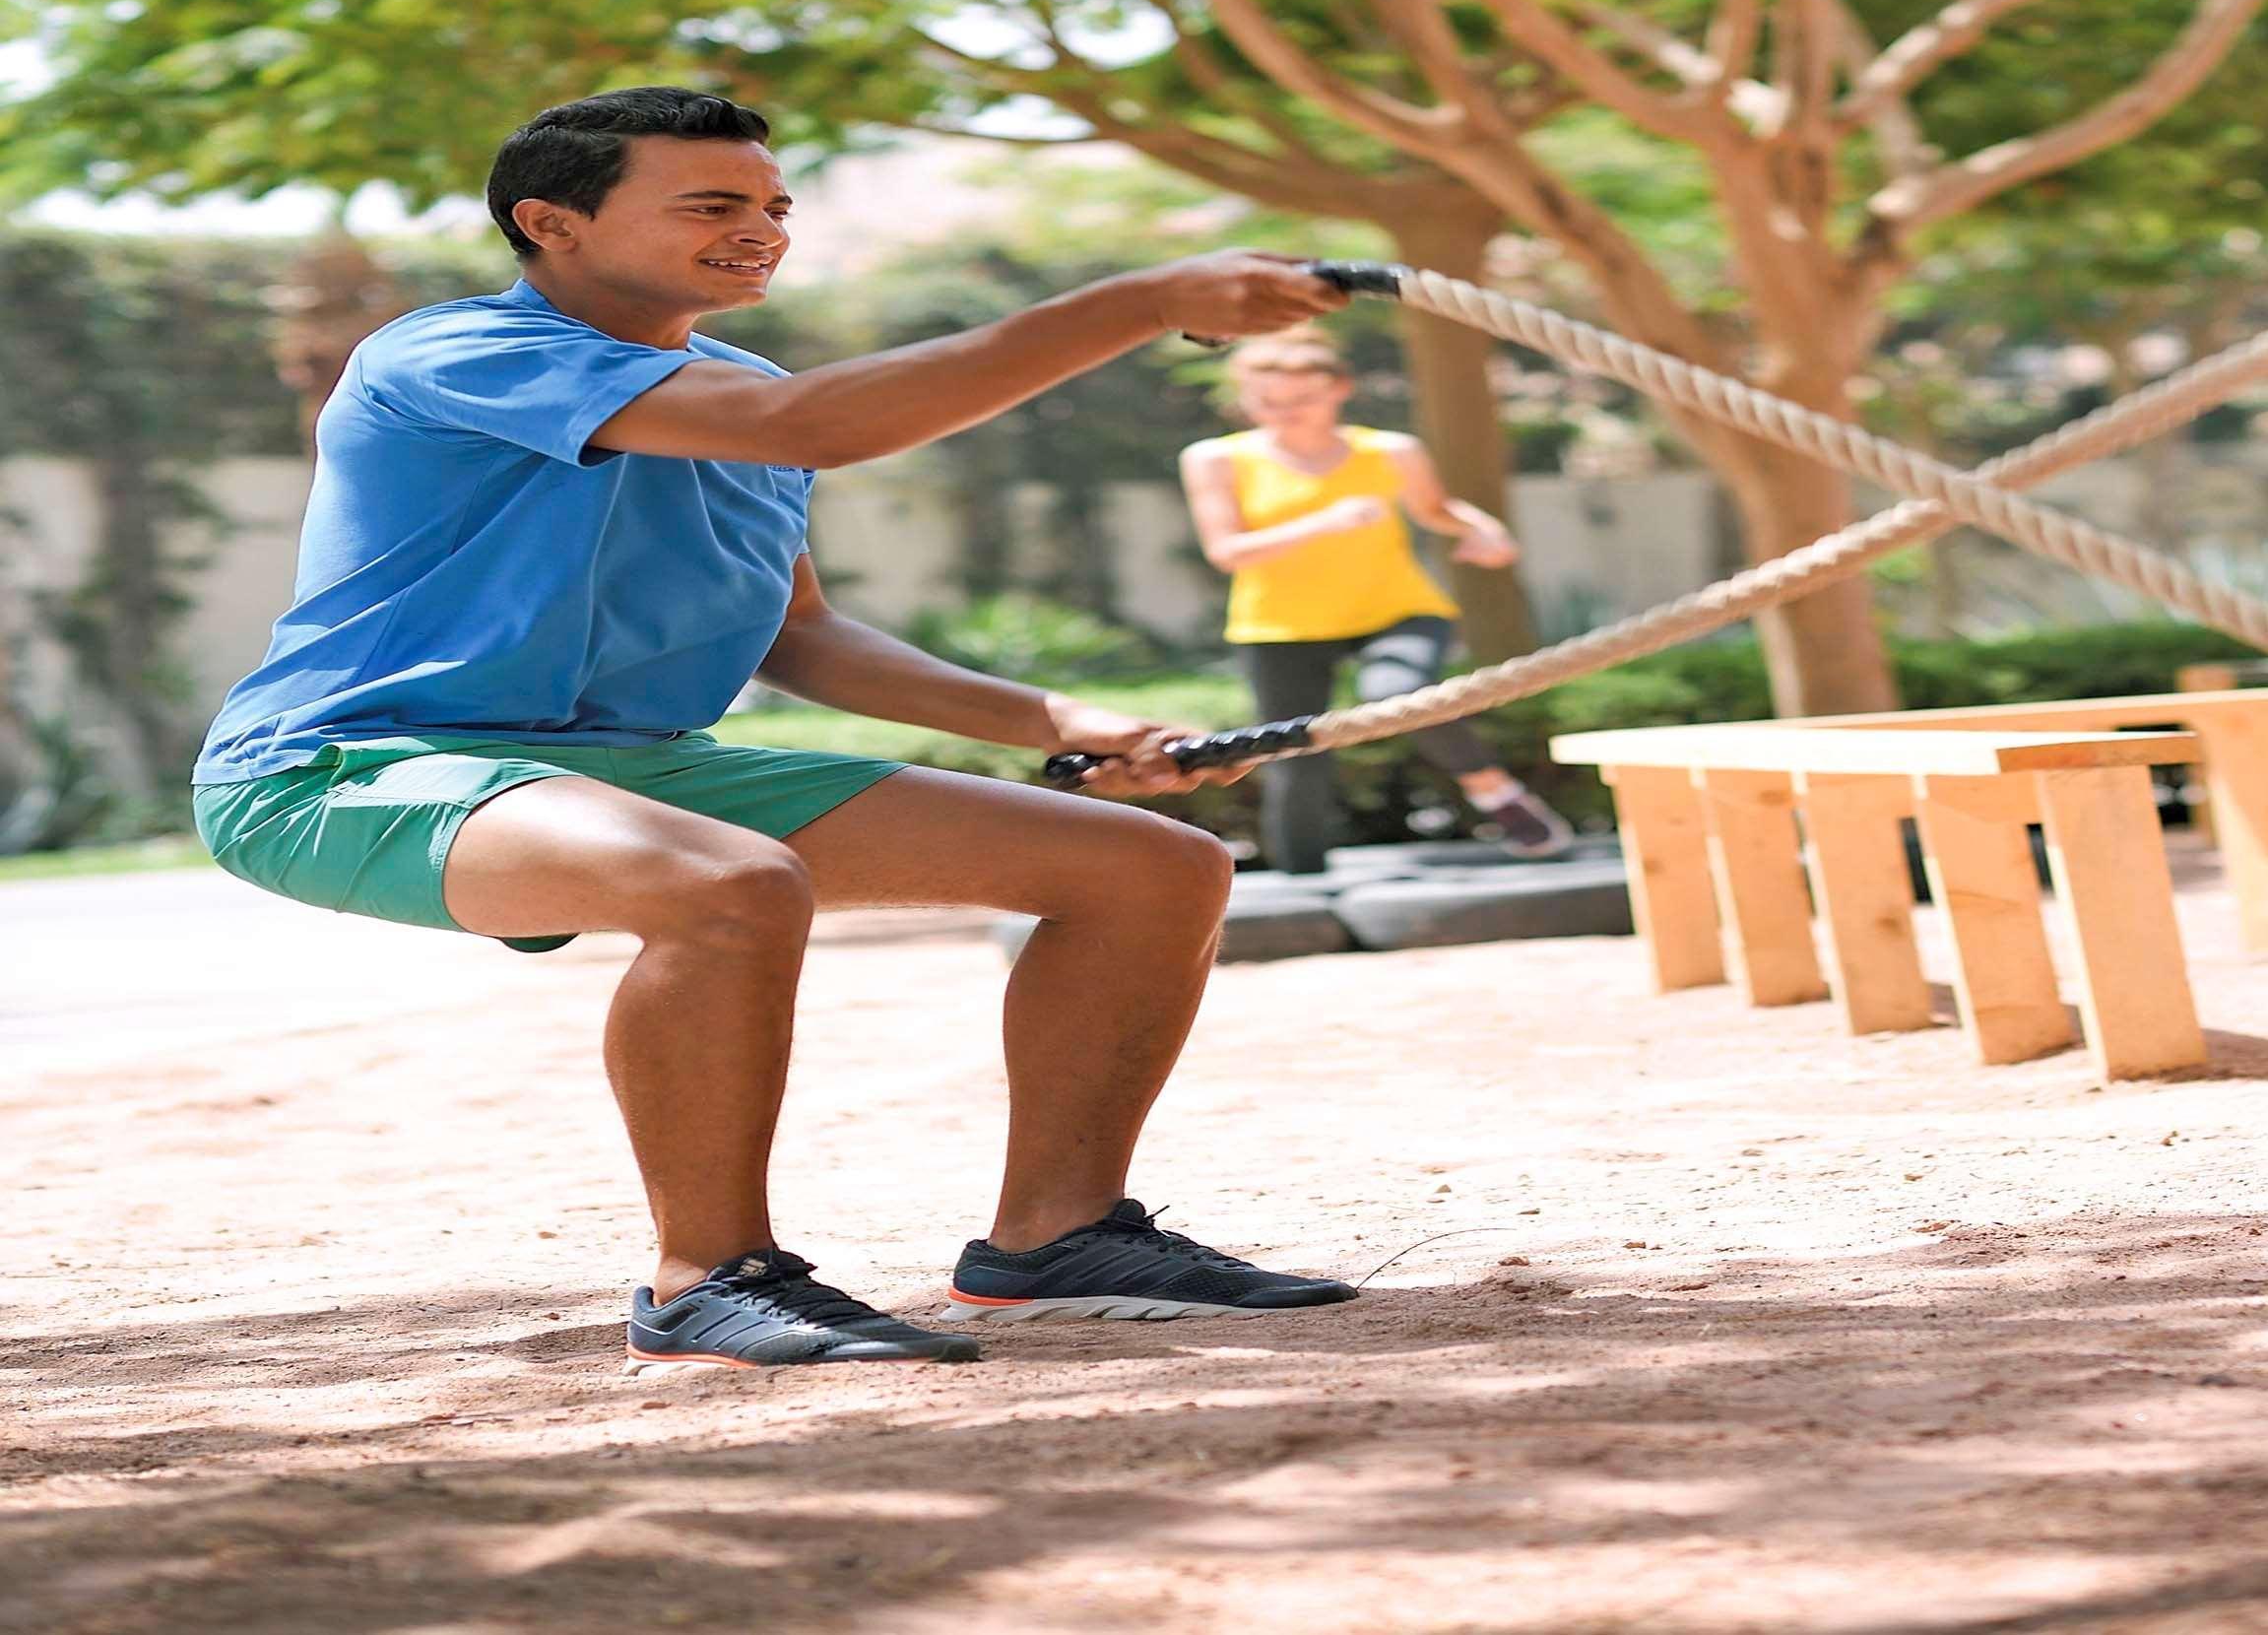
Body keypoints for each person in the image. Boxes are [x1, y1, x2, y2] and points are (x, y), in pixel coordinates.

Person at [191, 87, 1367, 1371]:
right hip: (350, 760)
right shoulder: (454, 352)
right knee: (732, 883)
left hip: (629, 765)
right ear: (551, 223)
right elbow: (816, 425)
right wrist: (1142, 302)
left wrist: (1058, 717)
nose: (759, 229)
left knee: (1152, 868)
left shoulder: (750, 393)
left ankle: (1056, 1238)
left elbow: (803, 635)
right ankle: (707, 1278)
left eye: (772, 206)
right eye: (712, 205)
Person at [1180, 331, 1573, 874]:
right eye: (1267, 401)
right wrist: (1326, 522)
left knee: (1399, 695)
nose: (1285, 412)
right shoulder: (1216, 458)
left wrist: (1483, 528)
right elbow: (1226, 551)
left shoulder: (1390, 450)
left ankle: (1495, 792)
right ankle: (1304, 883)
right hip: (1280, 626)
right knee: (1293, 755)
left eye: (1302, 399)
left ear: (1340, 388)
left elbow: (1436, 510)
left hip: (1397, 611)